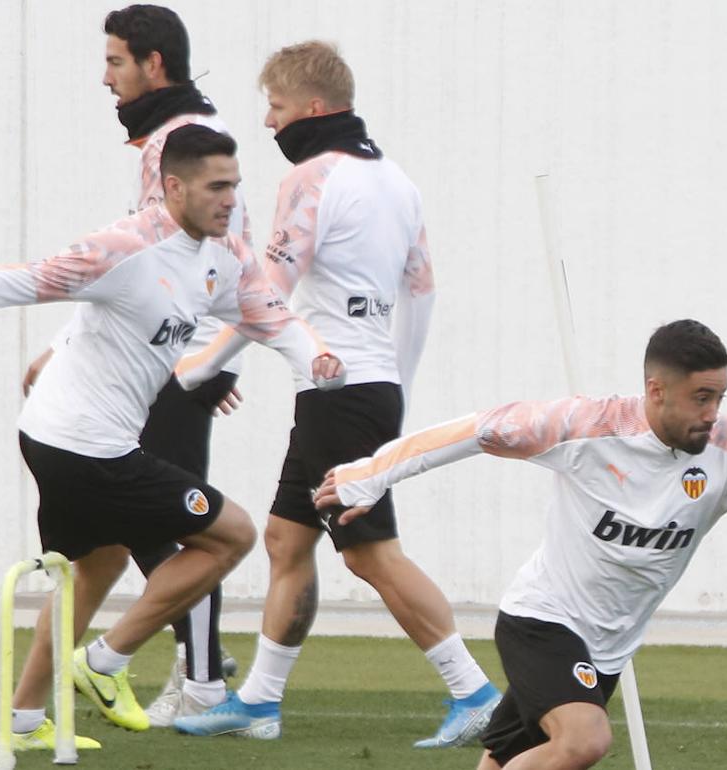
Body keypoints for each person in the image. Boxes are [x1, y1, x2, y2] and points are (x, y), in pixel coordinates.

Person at [0, 125, 343, 752]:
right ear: (173, 187)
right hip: (84, 445)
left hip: (63, 438)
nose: (231, 201)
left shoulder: (225, 256)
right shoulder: (126, 245)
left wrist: (317, 360)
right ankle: (105, 662)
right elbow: (39, 278)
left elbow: (270, 316)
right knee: (233, 535)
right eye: (216, 187)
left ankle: (22, 721)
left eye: (235, 186)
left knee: (98, 565)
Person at [314, 319, 727, 770]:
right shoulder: (586, 427)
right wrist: (371, 473)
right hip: (544, 621)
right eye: (701, 398)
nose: (712, 412)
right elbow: (472, 431)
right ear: (656, 391)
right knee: (584, 740)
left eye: (720, 397)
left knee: (503, 759)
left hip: (608, 648)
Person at [173, 40, 500, 748]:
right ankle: (259, 703)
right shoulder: (399, 182)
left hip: (337, 390)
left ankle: (473, 691)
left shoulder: (314, 177)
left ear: (314, 108)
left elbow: (270, 288)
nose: (267, 123)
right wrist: (399, 392)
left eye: (277, 106)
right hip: (364, 388)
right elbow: (423, 294)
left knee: (367, 552)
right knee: (288, 537)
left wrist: (205, 362)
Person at [22, 4, 246, 726]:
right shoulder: (179, 135)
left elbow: (154, 263)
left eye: (115, 60)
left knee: (192, 534)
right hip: (162, 362)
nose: (104, 78)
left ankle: (191, 677)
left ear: (154, 65)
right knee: (105, 553)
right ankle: (30, 712)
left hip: (156, 370)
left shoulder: (175, 145)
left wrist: (208, 360)